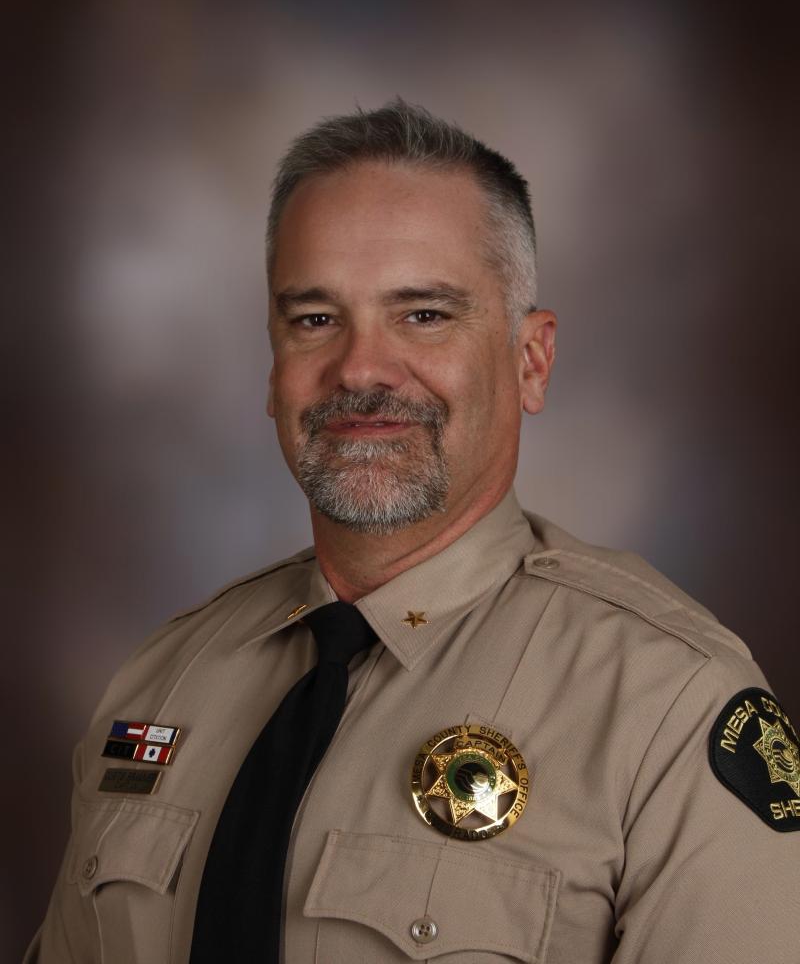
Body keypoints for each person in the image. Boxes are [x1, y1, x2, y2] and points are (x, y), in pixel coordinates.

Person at [28, 101, 799, 964]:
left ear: (530, 360)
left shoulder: (666, 705)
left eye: (424, 315)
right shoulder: (163, 681)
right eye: (315, 319)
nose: (360, 367)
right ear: (273, 367)